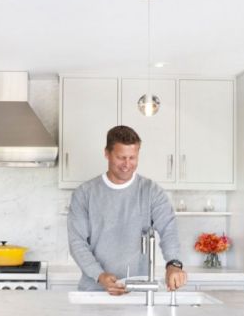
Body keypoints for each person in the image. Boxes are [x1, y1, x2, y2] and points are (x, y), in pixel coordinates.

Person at [67, 125, 188, 294]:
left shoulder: (151, 191)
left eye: (132, 158)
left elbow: (169, 230)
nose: (127, 164)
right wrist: (100, 275)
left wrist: (174, 264)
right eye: (121, 157)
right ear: (107, 154)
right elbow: (77, 243)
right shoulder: (84, 194)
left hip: (137, 291)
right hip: (95, 291)